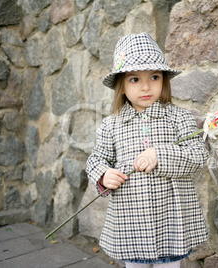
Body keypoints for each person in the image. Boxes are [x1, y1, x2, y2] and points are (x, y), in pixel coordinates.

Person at [86, 33, 209, 268]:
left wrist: (159, 155)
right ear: (121, 86)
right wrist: (103, 174)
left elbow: (198, 155)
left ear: (164, 80)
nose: (145, 86)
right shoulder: (112, 124)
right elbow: (96, 158)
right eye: (134, 79)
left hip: (171, 222)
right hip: (131, 223)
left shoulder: (178, 117)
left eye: (154, 77)